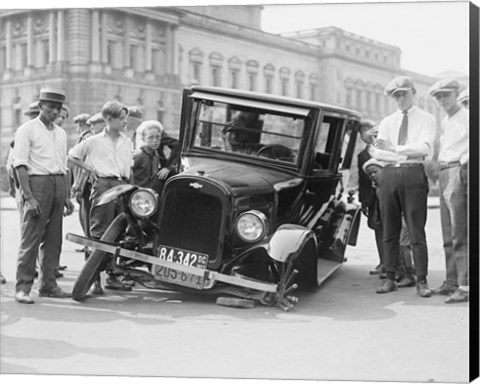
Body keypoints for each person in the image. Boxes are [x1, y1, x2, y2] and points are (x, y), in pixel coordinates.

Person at [370, 75, 436, 297]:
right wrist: (401, 149)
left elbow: (425, 148)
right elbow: (378, 152)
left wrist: (395, 148)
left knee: (416, 230)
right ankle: (390, 278)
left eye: (403, 94)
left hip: (413, 174)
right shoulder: (388, 121)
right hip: (389, 174)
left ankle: (422, 281)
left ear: (413, 93)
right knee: (390, 229)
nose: (400, 99)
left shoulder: (427, 119)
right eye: (396, 96)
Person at [12, 88, 75, 304]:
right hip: (36, 183)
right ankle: (22, 287)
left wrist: (66, 195)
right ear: (40, 106)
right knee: (31, 238)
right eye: (50, 107)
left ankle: (48, 284)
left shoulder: (61, 133)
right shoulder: (26, 130)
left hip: (57, 183)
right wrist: (29, 197)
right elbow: (20, 165)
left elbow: (63, 167)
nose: (55, 111)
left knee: (54, 239)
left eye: (58, 108)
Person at [68, 100, 133, 293]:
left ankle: (112, 276)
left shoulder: (127, 141)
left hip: (122, 185)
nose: (125, 122)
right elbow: (72, 156)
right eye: (121, 118)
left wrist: (130, 188)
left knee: (118, 233)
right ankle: (93, 280)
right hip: (103, 185)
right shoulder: (94, 141)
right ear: (108, 119)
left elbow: (128, 168)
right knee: (99, 233)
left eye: (126, 118)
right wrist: (89, 169)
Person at [429, 79, 469, 303]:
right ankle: (452, 280)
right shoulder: (446, 120)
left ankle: (465, 285)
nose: (442, 100)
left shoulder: (468, 116)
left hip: (457, 170)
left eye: (446, 95)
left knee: (459, 232)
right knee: (447, 232)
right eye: (438, 97)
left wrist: (464, 163)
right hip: (445, 171)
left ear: (456, 94)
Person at [362, 158, 416, 288]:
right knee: (395, 244)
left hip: (404, 219)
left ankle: (409, 275)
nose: (373, 176)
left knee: (403, 245)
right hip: (394, 219)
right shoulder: (379, 188)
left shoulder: (393, 184)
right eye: (370, 174)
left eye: (375, 171)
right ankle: (399, 271)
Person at [357, 120, 384, 275]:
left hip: (385, 194)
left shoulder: (384, 151)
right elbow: (362, 179)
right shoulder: (361, 155)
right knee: (377, 228)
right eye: (362, 133)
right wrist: (363, 201)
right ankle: (383, 262)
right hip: (371, 198)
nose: (365, 135)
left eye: (368, 131)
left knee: (390, 228)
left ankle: (395, 265)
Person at [132, 120, 167, 195]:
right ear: (143, 139)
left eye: (158, 137)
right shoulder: (138, 155)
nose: (155, 140)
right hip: (136, 194)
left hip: (149, 194)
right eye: (150, 137)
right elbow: (127, 174)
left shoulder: (156, 155)